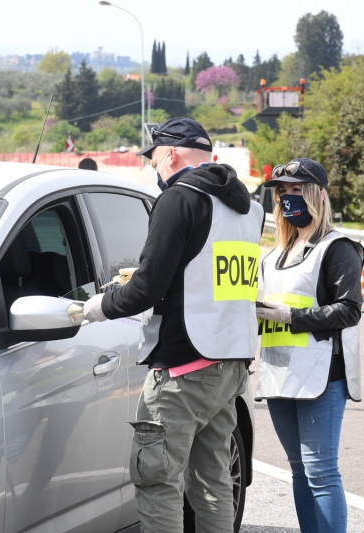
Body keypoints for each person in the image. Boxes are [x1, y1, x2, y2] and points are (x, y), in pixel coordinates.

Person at [82, 117, 264, 533]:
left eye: (154, 160)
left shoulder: (179, 200)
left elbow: (147, 289)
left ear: (170, 154)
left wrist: (97, 307)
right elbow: (202, 277)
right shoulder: (248, 209)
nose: (154, 169)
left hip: (183, 366)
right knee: (213, 482)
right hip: (230, 364)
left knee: (157, 479)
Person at [255, 158, 364, 533]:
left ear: (317, 194)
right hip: (278, 373)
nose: (288, 197)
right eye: (282, 191)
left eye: (297, 189)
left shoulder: (337, 248)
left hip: (322, 376)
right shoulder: (272, 256)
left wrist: (292, 317)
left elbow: (349, 311)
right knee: (299, 470)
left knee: (320, 470)